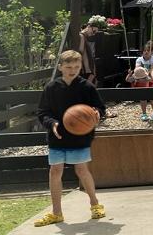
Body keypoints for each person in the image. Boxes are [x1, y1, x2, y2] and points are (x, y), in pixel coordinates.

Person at [33, 50, 107, 227]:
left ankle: (95, 204)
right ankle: (56, 213)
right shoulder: (51, 87)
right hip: (57, 136)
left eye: (76, 66)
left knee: (82, 170)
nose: (72, 70)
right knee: (55, 171)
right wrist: (52, 124)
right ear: (60, 67)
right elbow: (43, 112)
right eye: (68, 67)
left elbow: (100, 108)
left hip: (80, 136)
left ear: (81, 66)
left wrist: (96, 113)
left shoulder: (87, 87)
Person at [126, 40, 153, 122]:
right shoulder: (139, 59)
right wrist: (136, 76)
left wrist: (151, 76)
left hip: (151, 78)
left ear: (152, 52)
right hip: (141, 78)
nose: (146, 52)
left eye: (148, 50)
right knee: (143, 98)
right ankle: (144, 114)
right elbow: (137, 69)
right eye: (144, 50)